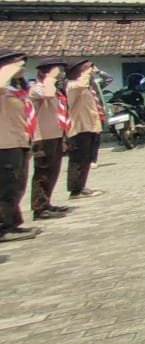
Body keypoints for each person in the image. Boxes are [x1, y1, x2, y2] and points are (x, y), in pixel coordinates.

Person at [1, 48, 41, 243]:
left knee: (16, 185)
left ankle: (12, 223)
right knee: (6, 187)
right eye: (17, 63)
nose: (22, 66)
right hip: (4, 144)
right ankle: (3, 227)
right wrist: (8, 68)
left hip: (18, 141)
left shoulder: (14, 91)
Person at [28, 58, 73, 220]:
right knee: (43, 173)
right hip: (42, 138)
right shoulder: (37, 89)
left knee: (53, 171)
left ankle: (47, 203)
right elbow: (46, 95)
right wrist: (50, 77)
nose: (60, 75)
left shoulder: (55, 90)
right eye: (56, 71)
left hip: (55, 136)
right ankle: (39, 209)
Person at [64, 59, 106, 199]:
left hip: (89, 127)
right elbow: (80, 84)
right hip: (78, 128)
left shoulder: (87, 87)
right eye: (87, 69)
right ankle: (75, 190)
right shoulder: (72, 86)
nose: (91, 71)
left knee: (86, 159)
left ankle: (81, 186)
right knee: (78, 160)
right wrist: (87, 71)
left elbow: (104, 80)